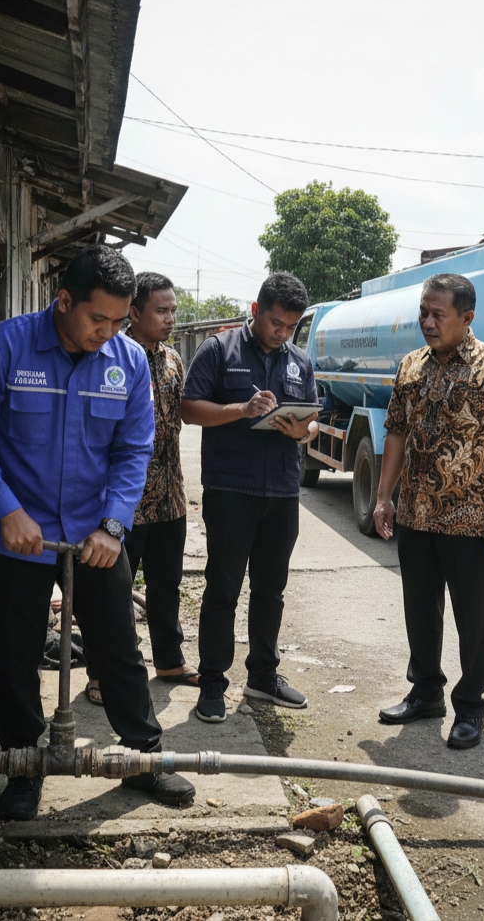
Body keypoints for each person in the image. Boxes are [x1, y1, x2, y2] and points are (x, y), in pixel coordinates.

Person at [0, 246, 195, 820]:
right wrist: (5, 509)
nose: (107, 334)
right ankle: (23, 766)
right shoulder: (3, 347)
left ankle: (144, 756)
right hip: (18, 537)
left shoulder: (127, 362)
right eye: (97, 319)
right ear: (64, 301)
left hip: (94, 536)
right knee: (15, 656)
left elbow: (133, 449)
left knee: (118, 648)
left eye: (119, 322)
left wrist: (113, 524)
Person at [373, 273, 484, 750]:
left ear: (466, 317)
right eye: (423, 312)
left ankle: (470, 708)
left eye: (437, 314)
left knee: (474, 619)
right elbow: (396, 432)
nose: (427, 322)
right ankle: (426, 694)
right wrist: (384, 497)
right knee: (420, 610)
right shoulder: (410, 366)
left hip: (470, 519)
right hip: (416, 515)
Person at [181, 272, 320, 723]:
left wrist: (302, 431)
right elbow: (189, 408)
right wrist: (241, 410)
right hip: (230, 489)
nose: (283, 333)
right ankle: (212, 682)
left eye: (291, 326)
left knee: (271, 590)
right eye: (276, 323)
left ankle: (262, 675)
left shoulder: (299, 361)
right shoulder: (219, 350)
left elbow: (312, 420)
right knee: (223, 588)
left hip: (282, 491)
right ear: (256, 310)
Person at [85, 272, 197, 704]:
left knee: (166, 585)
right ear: (134, 312)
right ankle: (103, 673)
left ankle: (169, 659)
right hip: (124, 502)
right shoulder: (109, 358)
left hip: (170, 497)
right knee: (110, 593)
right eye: (161, 310)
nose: (170, 319)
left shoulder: (173, 361)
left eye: (173, 310)